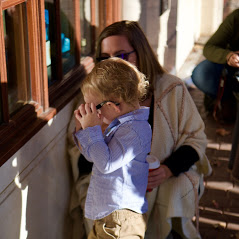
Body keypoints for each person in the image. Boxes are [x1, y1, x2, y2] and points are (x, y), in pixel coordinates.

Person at [67, 20, 212, 239]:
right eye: (105, 57)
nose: (113, 63)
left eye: (121, 55)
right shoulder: (96, 95)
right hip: (115, 185)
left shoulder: (171, 89)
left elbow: (196, 140)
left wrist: (167, 169)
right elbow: (82, 151)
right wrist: (86, 131)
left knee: (179, 188)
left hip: (161, 176)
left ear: (140, 53)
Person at [73, 57, 152, 239]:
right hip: (107, 214)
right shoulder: (119, 125)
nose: (93, 113)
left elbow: (105, 164)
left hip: (121, 220)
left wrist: (92, 129)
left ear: (112, 105)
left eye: (94, 108)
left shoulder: (135, 130)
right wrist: (81, 129)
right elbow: (94, 156)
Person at [191, 9, 239, 122]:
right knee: (201, 73)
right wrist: (228, 56)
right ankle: (226, 98)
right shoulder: (236, 18)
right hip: (232, 71)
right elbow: (209, 48)